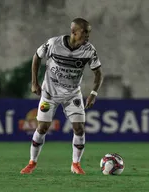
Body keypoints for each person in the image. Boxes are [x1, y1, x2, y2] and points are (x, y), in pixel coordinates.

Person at [20, 18, 103, 175]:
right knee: (42, 127)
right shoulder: (53, 44)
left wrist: (93, 93)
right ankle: (32, 162)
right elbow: (36, 56)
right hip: (49, 94)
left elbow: (98, 73)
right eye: (84, 33)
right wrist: (34, 82)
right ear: (73, 32)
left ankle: (76, 164)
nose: (87, 36)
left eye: (88, 33)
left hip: (72, 95)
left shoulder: (89, 50)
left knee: (79, 129)